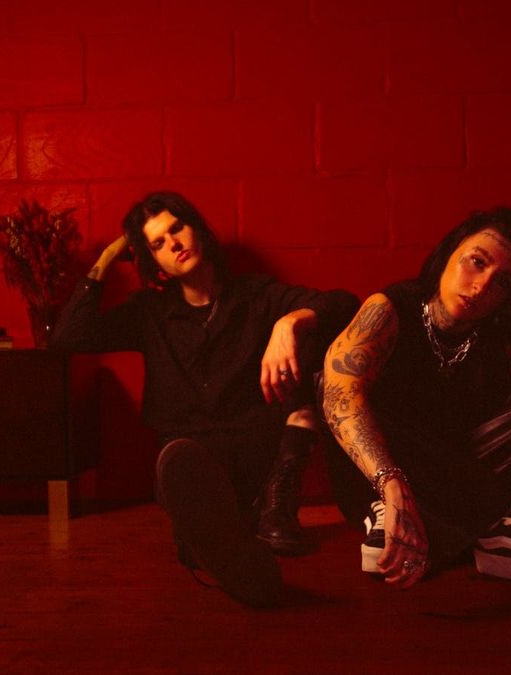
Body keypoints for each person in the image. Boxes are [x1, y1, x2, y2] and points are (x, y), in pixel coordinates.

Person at [50, 191, 357, 606]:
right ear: (152, 260)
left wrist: (289, 323)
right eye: (158, 243)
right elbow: (69, 338)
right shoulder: (149, 313)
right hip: (192, 463)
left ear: (196, 228)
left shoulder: (255, 296)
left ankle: (270, 513)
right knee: (192, 511)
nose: (174, 243)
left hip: (255, 455)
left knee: (316, 348)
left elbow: (344, 305)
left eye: (177, 228)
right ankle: (245, 550)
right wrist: (107, 257)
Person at [320, 206, 511, 591]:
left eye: (503, 282)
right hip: (384, 476)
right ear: (448, 254)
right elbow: (339, 398)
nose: (481, 286)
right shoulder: (391, 309)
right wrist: (392, 486)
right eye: (476, 262)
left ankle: (473, 526)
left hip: (460, 469)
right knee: (335, 387)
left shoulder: (500, 330)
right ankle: (494, 522)